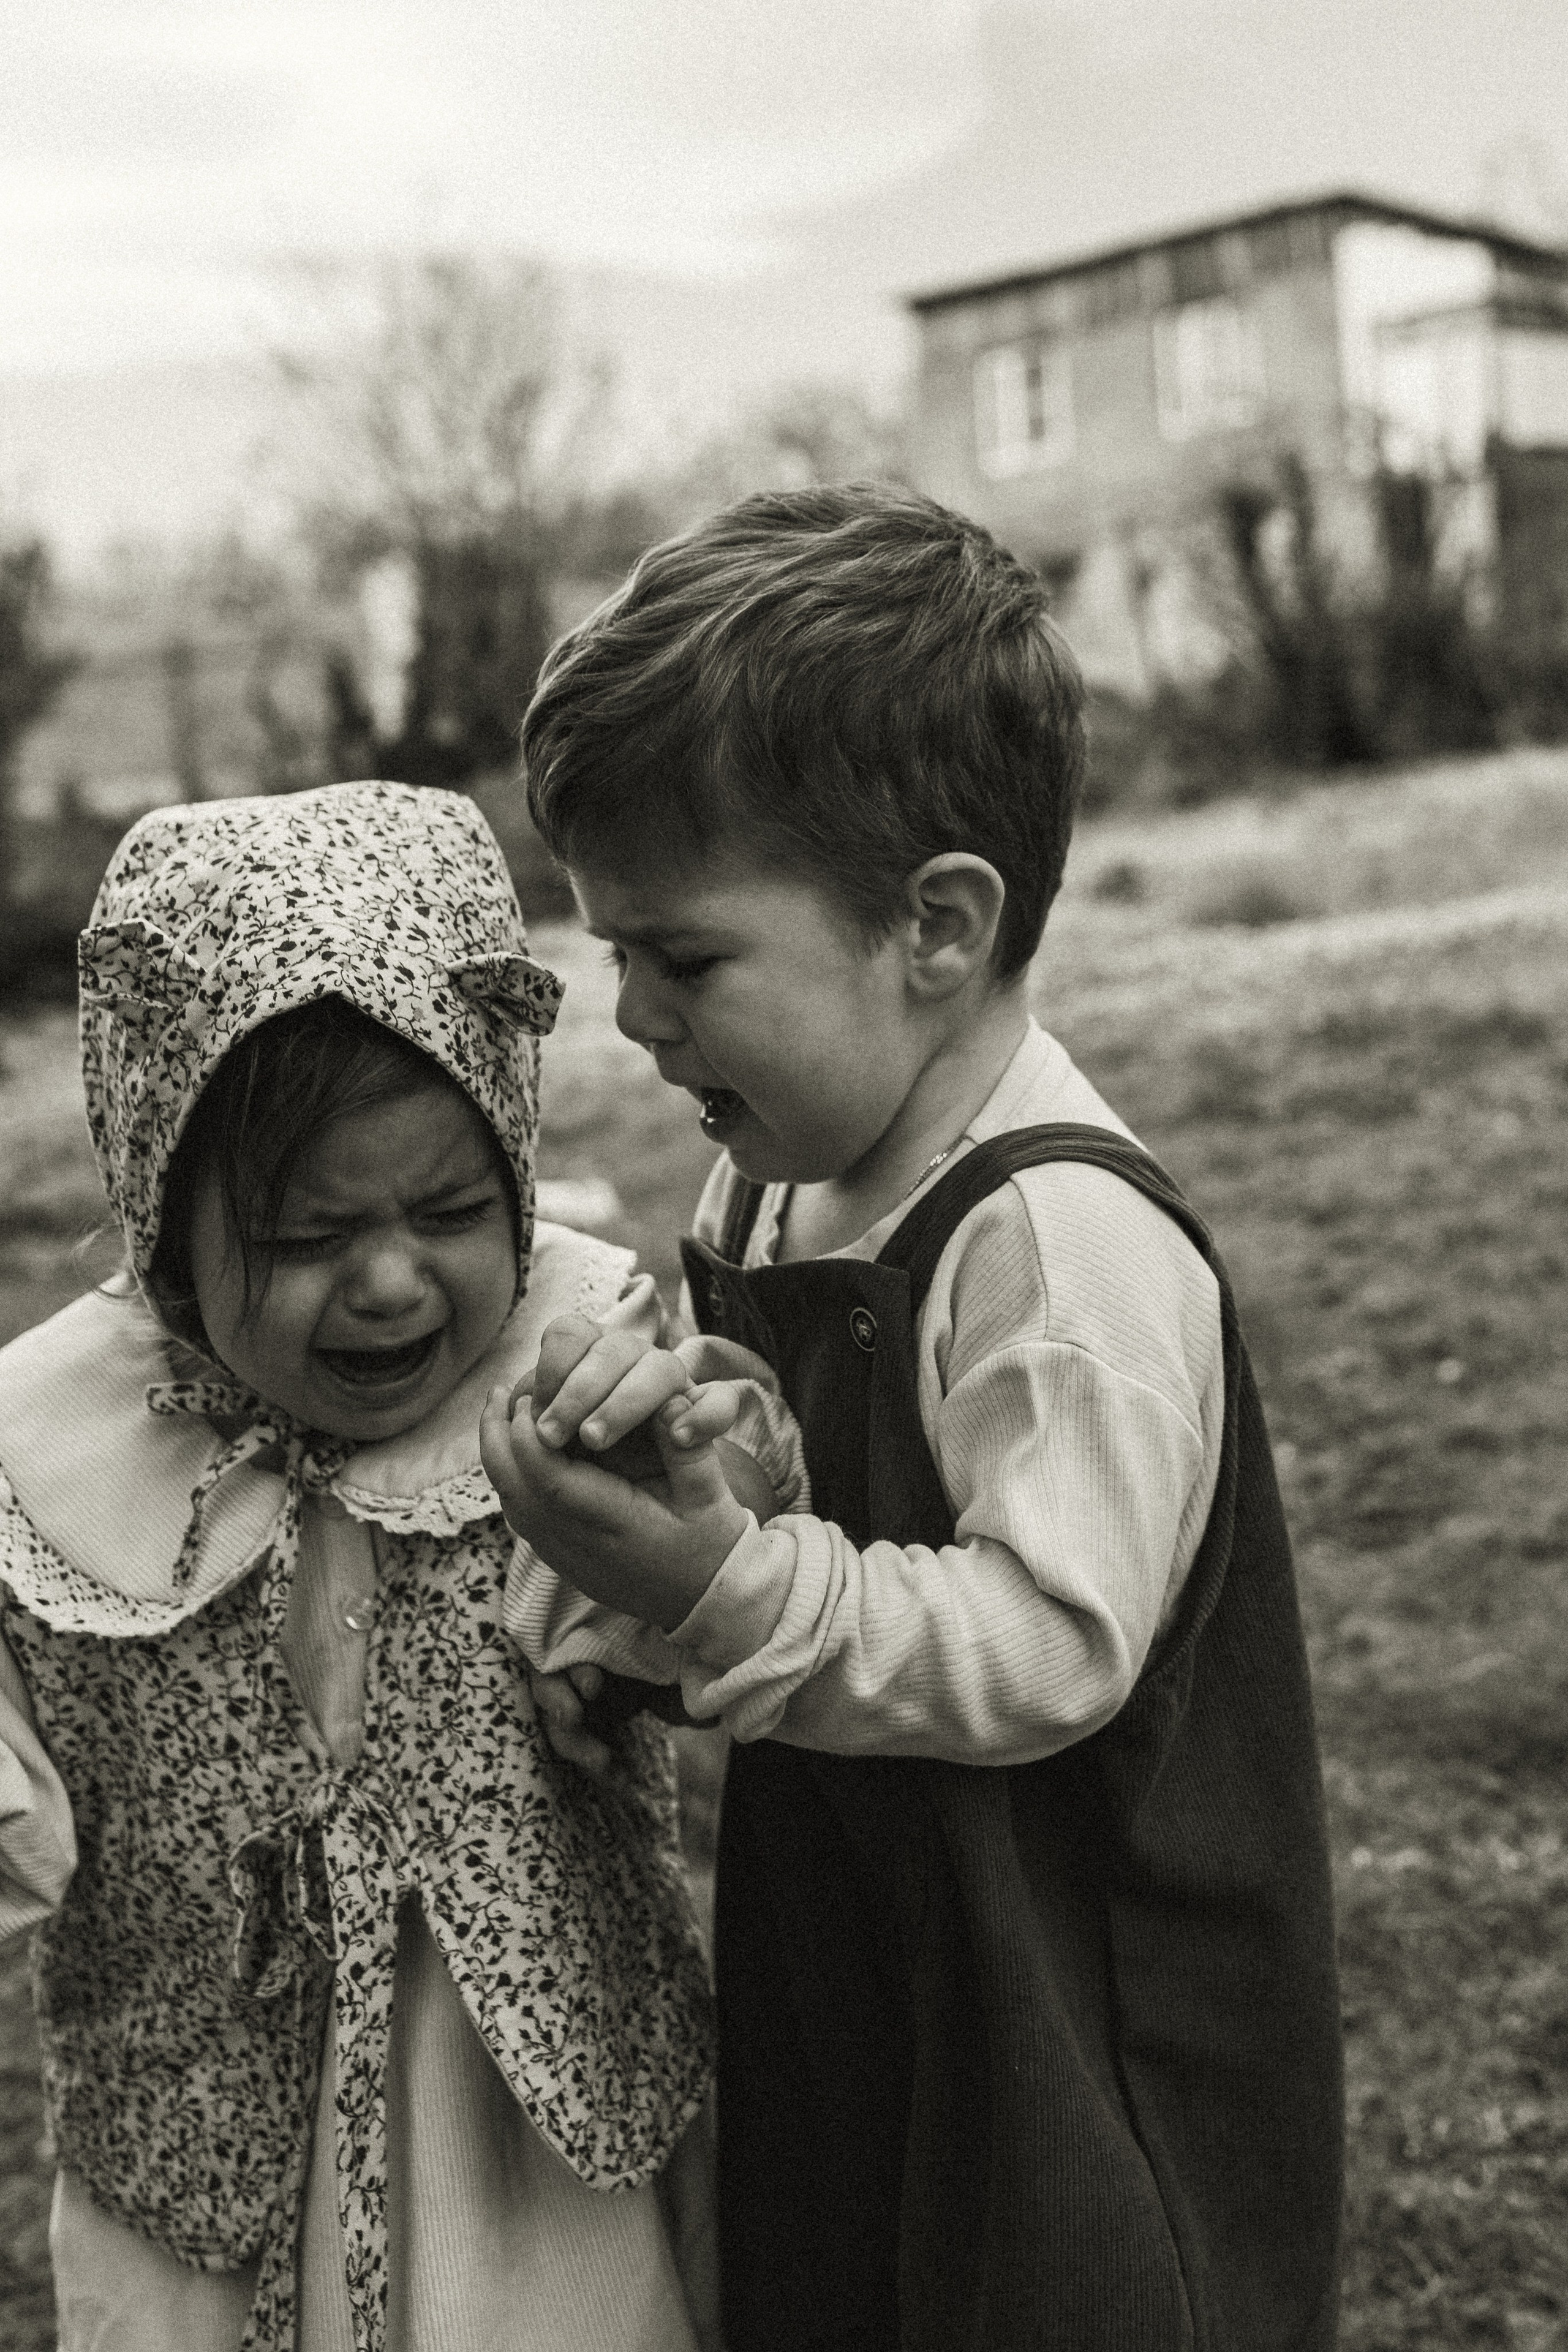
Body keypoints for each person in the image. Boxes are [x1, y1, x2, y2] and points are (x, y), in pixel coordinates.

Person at [483, 486, 1346, 2352]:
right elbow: (784, 1485)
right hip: (871, 1939)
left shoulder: (1059, 1245)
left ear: (937, 926)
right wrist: (635, 1577)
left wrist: (723, 1589)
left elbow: (1051, 1645)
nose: (629, 1016)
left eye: (686, 959)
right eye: (611, 952)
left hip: (1081, 2004)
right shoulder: (774, 1180)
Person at [0, 780, 743, 2352]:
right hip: (203, 2163)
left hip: (535, 2142)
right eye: (304, 1237)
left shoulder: (573, 1383)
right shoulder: (45, 1470)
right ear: (164, 1219)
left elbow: (698, 1623)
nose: (393, 1280)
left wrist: (686, 1520)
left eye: (452, 1211)